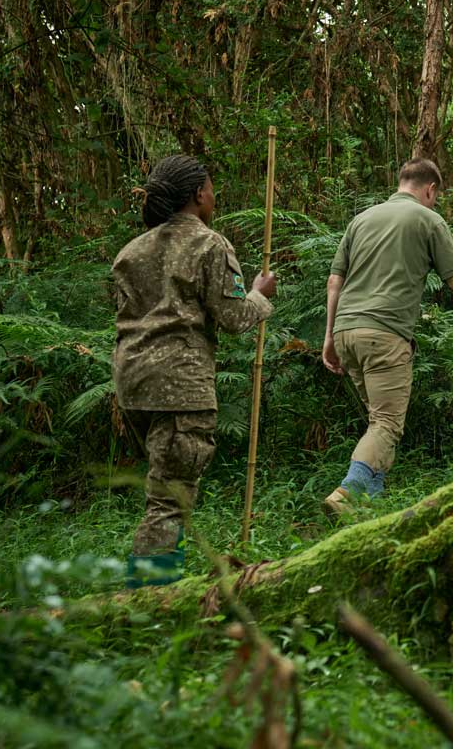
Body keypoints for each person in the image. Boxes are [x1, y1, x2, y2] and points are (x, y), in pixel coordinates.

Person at [112, 155, 276, 588]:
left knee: (163, 485)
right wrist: (259, 296)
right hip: (179, 385)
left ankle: (160, 583)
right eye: (211, 187)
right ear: (199, 194)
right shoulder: (209, 244)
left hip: (132, 383)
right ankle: (150, 602)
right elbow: (234, 318)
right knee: (168, 499)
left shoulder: (131, 251)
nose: (214, 195)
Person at [320, 157, 453, 516]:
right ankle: (348, 492)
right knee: (387, 425)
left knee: (378, 424)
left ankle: (369, 510)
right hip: (384, 334)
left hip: (346, 332)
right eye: (436, 195)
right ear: (430, 188)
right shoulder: (428, 219)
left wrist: (329, 337)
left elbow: (334, 282)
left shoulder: (361, 220)